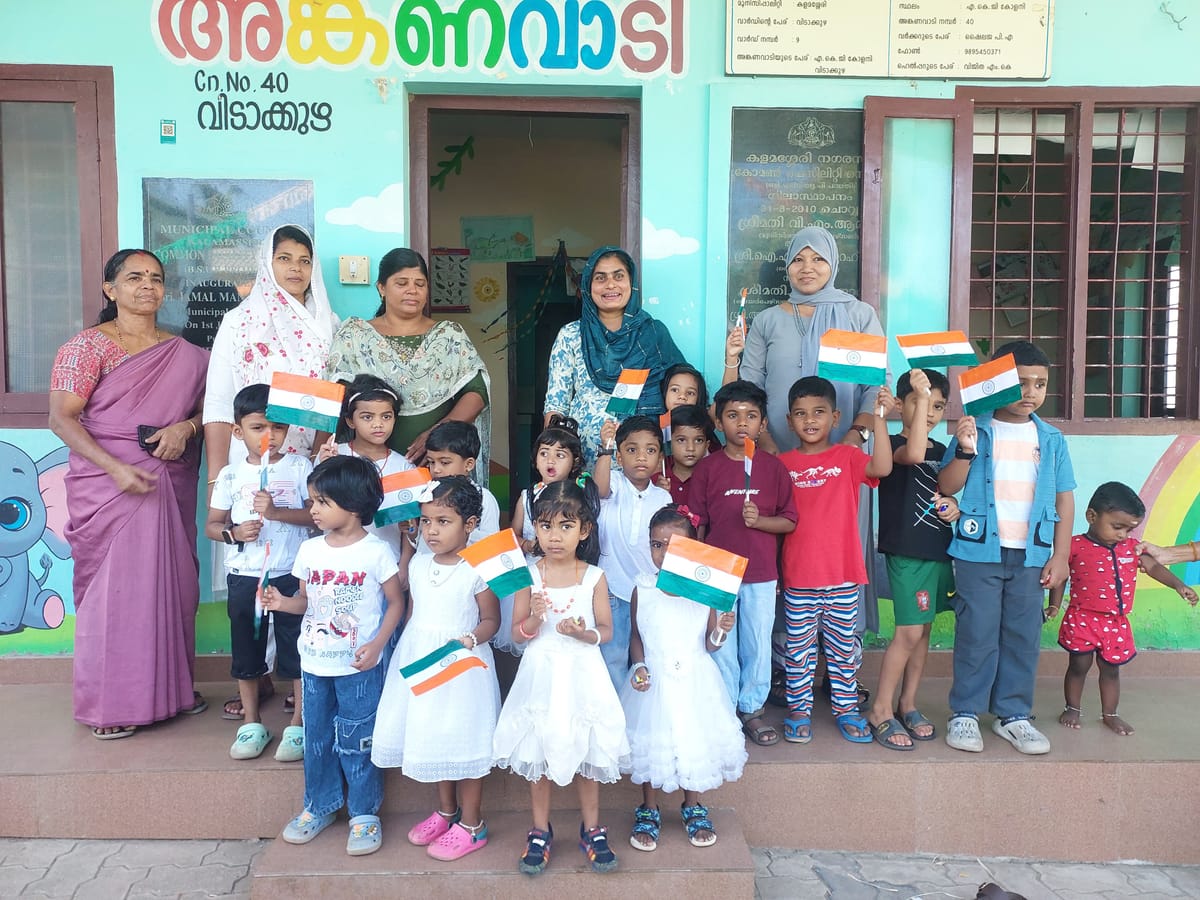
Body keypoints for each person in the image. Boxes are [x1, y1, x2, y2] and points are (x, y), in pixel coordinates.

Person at [50, 249, 209, 739]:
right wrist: (115, 468)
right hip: (110, 487)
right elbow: (62, 418)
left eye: (156, 278)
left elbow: (213, 414)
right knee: (116, 595)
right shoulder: (87, 347)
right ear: (110, 288)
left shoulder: (186, 354)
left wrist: (185, 427)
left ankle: (174, 693)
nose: (147, 286)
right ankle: (112, 705)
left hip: (166, 482)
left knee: (172, 587)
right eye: (134, 277)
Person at [204, 224, 336, 719]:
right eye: (285, 258)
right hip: (250, 460)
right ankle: (253, 679)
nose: (296, 269)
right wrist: (219, 475)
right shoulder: (239, 322)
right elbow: (218, 403)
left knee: (297, 567)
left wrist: (320, 453)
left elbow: (332, 399)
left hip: (303, 464)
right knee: (251, 572)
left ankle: (294, 677)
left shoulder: (327, 321)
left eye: (304, 259)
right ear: (268, 262)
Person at [262, 456, 407, 856]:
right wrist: (280, 602)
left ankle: (363, 814)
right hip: (314, 664)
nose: (313, 510)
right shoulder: (310, 551)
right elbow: (306, 603)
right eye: (312, 502)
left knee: (357, 739)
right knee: (318, 738)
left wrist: (377, 645)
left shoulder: (376, 552)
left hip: (359, 666)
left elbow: (395, 603)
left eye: (322, 502)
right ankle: (319, 805)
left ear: (355, 505)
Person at [938, 341, 1075, 756]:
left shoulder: (1051, 439)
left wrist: (1061, 554)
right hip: (978, 553)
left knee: (1022, 635)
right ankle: (965, 712)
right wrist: (964, 447)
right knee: (977, 633)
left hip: (1031, 556)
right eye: (1019, 382)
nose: (1030, 392)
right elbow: (947, 486)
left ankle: (1013, 715)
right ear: (996, 383)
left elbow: (1064, 498)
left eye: (1040, 384)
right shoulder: (975, 428)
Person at [492, 481, 629, 876]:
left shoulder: (594, 577)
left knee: (588, 751)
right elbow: (518, 634)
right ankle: (539, 829)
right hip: (542, 674)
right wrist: (534, 617)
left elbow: (606, 630)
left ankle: (592, 828)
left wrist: (582, 633)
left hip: (583, 672)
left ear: (584, 530)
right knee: (539, 750)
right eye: (547, 526)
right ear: (535, 527)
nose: (555, 536)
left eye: (566, 527)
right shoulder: (527, 575)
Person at [372, 477, 502, 860]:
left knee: (462, 738)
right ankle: (447, 812)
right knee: (434, 735)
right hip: (422, 661)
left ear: (471, 523)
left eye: (443, 521)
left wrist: (471, 638)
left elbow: (491, 619)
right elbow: (413, 613)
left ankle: (473, 824)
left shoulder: (477, 568)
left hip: (462, 666)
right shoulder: (419, 563)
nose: (432, 530)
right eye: (426, 521)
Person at [621, 506, 747, 853]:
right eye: (656, 545)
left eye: (673, 545)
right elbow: (636, 636)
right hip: (655, 678)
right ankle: (648, 807)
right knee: (651, 739)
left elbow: (709, 643)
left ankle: (693, 804)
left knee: (694, 739)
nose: (663, 553)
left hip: (695, 677)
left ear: (693, 546)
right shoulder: (643, 588)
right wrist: (639, 666)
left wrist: (721, 631)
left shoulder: (704, 592)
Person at [776, 376, 893, 744]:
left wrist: (880, 422)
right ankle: (799, 708)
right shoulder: (783, 464)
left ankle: (846, 708)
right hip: (799, 577)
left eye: (819, 412)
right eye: (801, 414)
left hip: (844, 576)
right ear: (789, 420)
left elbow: (884, 468)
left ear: (836, 416)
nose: (810, 420)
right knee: (798, 650)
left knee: (844, 649)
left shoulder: (847, 457)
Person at [686, 381, 797, 746]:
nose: (742, 423)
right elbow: (697, 523)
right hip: (718, 571)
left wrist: (759, 521)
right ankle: (724, 704)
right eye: (733, 416)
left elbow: (789, 521)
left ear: (763, 424)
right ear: (719, 422)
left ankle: (751, 708)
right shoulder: (707, 468)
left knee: (756, 640)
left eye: (751, 416)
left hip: (762, 573)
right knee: (721, 640)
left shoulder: (773, 469)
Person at [206, 384, 313, 761]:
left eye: (278, 428)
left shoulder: (301, 467)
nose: (269, 436)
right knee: (247, 648)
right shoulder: (230, 476)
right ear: (238, 432)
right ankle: (251, 723)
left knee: (297, 648)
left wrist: (277, 513)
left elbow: (317, 516)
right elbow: (212, 525)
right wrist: (234, 533)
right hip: (245, 574)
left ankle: (298, 724)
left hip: (289, 572)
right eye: (257, 427)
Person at [1045, 482, 1197, 736]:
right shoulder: (1074, 546)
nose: (1123, 535)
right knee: (1078, 666)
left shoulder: (1132, 548)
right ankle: (1072, 708)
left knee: (1111, 670)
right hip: (1083, 619)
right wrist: (1053, 604)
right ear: (1092, 516)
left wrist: (1179, 586)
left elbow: (1155, 567)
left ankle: (1110, 715)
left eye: (1129, 529)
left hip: (1115, 623)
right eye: (1117, 527)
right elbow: (1060, 576)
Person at [324, 248, 491, 475]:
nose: (412, 290)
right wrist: (319, 459)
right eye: (401, 283)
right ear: (381, 288)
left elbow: (477, 392)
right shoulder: (355, 335)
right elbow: (332, 398)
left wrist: (436, 433)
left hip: (435, 461)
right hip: (366, 463)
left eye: (420, 284)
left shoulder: (449, 335)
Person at [867, 369, 960, 750]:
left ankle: (907, 703)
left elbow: (951, 489)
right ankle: (881, 710)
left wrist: (953, 504)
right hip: (907, 554)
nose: (932, 412)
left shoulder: (943, 452)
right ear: (901, 404)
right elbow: (915, 452)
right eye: (922, 402)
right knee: (907, 632)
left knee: (923, 631)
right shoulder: (889, 444)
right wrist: (907, 404)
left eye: (938, 405)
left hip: (938, 550)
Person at [544, 246, 685, 468]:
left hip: (643, 465)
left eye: (618, 276)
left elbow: (682, 389)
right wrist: (554, 461)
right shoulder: (571, 335)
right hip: (584, 464)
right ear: (588, 286)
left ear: (632, 283)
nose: (610, 285)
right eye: (600, 278)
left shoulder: (653, 333)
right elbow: (556, 403)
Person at [595, 415, 673, 689]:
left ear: (660, 456)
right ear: (618, 456)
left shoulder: (663, 497)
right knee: (614, 654)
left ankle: (641, 709)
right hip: (612, 587)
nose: (641, 457)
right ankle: (616, 712)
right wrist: (605, 447)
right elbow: (599, 489)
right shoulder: (613, 484)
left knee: (646, 652)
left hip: (648, 589)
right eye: (631, 450)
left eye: (650, 450)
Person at [501, 415, 584, 657]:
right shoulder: (527, 496)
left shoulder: (578, 496)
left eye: (560, 455)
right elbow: (512, 535)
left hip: (564, 572)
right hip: (531, 572)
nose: (550, 460)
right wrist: (529, 545)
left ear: (574, 462)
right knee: (528, 634)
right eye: (544, 453)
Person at [316, 373, 413, 561]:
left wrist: (404, 564)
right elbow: (316, 505)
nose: (378, 424)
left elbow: (408, 523)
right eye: (367, 417)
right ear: (351, 421)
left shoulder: (404, 466)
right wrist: (325, 467)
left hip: (386, 563)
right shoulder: (333, 455)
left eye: (386, 416)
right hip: (337, 561)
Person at [421, 421, 500, 541]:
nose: (436, 470)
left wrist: (455, 528)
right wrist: (412, 532)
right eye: (431, 462)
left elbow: (492, 542)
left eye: (445, 463)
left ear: (468, 464)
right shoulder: (428, 494)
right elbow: (421, 541)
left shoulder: (484, 498)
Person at [655, 403, 711, 506]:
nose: (690, 448)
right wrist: (655, 493)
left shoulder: (711, 480)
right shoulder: (656, 481)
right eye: (681, 440)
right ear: (670, 442)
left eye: (698, 440)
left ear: (706, 445)